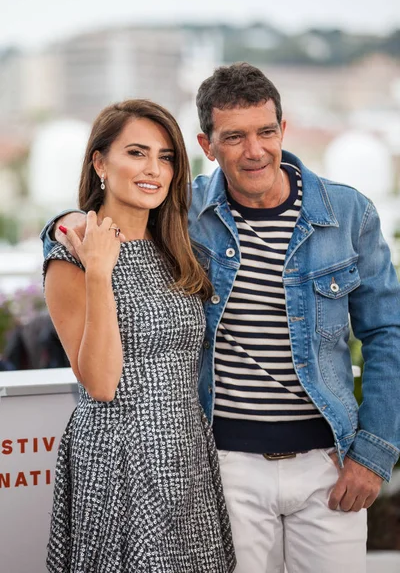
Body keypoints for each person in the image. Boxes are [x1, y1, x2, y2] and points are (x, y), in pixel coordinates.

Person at [42, 64, 400, 573]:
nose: (254, 150)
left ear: (284, 129)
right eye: (234, 137)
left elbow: (388, 334)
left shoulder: (347, 214)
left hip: (330, 462)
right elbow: (117, 210)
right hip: (223, 464)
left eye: (266, 132)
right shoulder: (188, 216)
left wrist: (374, 454)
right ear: (208, 146)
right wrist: (67, 221)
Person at [42, 99, 235, 573]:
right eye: (136, 152)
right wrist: (99, 272)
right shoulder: (71, 247)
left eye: (166, 157)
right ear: (100, 161)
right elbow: (101, 382)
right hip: (119, 457)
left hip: (187, 454)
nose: (154, 169)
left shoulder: (177, 247)